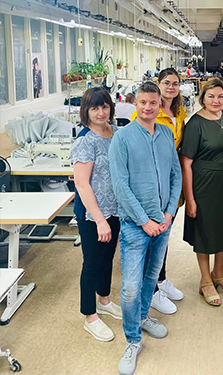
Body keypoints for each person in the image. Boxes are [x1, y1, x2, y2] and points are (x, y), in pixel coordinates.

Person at [109, 82, 181, 375]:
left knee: (151, 277)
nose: (148, 107)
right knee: (130, 287)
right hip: (135, 225)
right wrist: (144, 221)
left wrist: (169, 212)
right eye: (143, 102)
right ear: (135, 104)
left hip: (163, 222)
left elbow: (175, 174)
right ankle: (132, 340)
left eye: (153, 103)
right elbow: (120, 186)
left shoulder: (166, 133)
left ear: (159, 105)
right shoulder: (122, 138)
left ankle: (141, 318)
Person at [180, 78, 223, 307]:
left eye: (220, 96)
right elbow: (186, 163)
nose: (216, 100)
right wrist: (190, 199)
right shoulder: (195, 124)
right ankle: (205, 280)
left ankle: (218, 275)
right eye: (211, 96)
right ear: (202, 98)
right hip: (204, 184)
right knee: (205, 233)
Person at [131, 68, 186, 315]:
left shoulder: (179, 111)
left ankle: (161, 280)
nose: (171, 87)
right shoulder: (146, 112)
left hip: (170, 181)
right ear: (158, 84)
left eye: (175, 83)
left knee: (164, 235)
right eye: (166, 83)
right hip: (152, 183)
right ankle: (151, 291)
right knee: (151, 239)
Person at [71, 87, 120, 342]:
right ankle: (90, 316)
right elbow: (82, 183)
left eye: (105, 107)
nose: (101, 112)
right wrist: (100, 220)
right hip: (93, 214)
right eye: (95, 108)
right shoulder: (85, 141)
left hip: (115, 209)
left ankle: (104, 300)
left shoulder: (116, 133)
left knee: (107, 258)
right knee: (91, 262)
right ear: (86, 111)